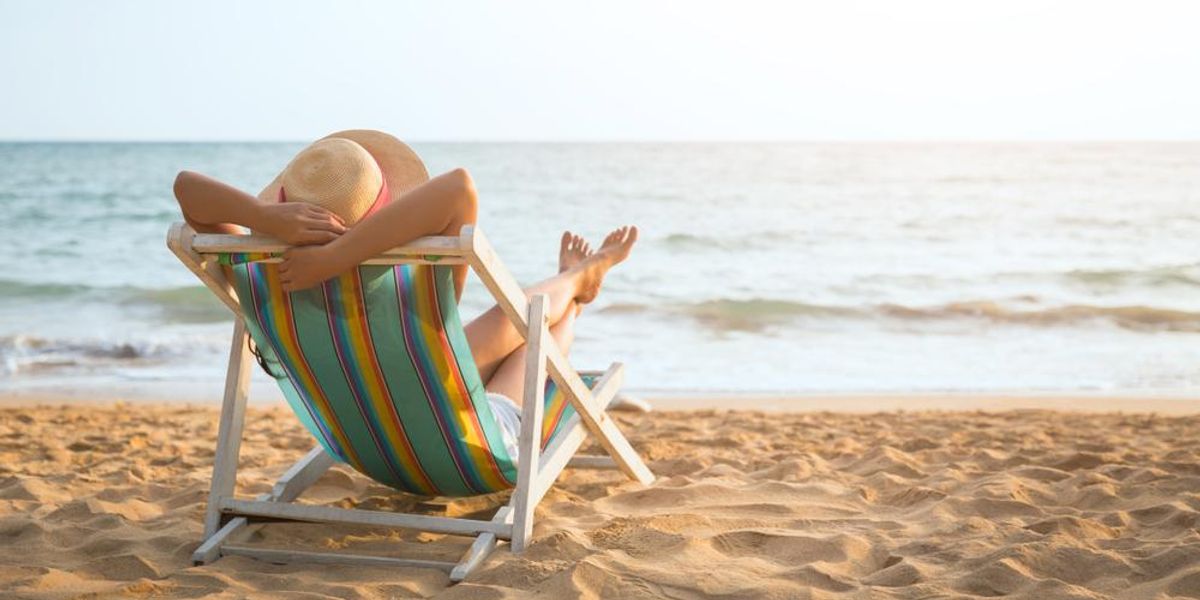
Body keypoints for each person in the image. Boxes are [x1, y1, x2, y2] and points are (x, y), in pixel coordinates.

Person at [172, 129, 637, 453]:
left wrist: (266, 219)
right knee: (532, 325)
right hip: (461, 439)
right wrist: (338, 256)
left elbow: (186, 188)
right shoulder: (405, 290)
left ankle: (578, 279)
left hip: (365, 439)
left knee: (512, 320)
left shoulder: (262, 278)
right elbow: (459, 187)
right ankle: (579, 286)